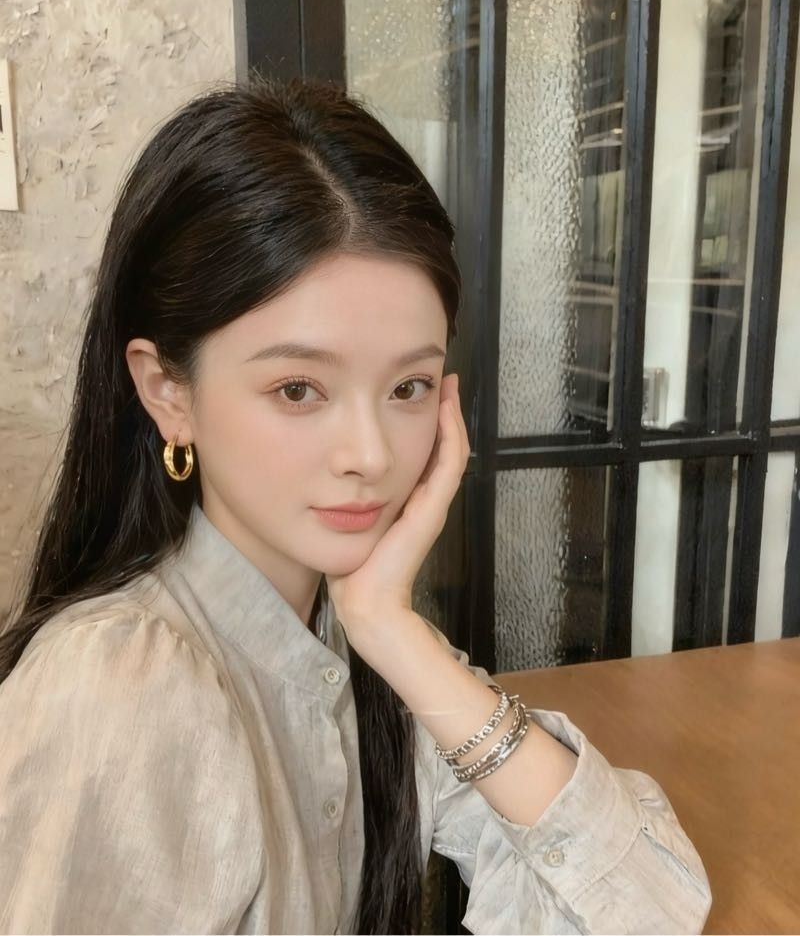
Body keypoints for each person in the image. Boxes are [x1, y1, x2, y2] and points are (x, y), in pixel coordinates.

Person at [0, 78, 711, 935]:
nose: (371, 455)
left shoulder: (349, 635)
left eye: (409, 387)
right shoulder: (118, 688)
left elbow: (649, 911)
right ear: (167, 391)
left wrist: (390, 629)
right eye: (298, 389)